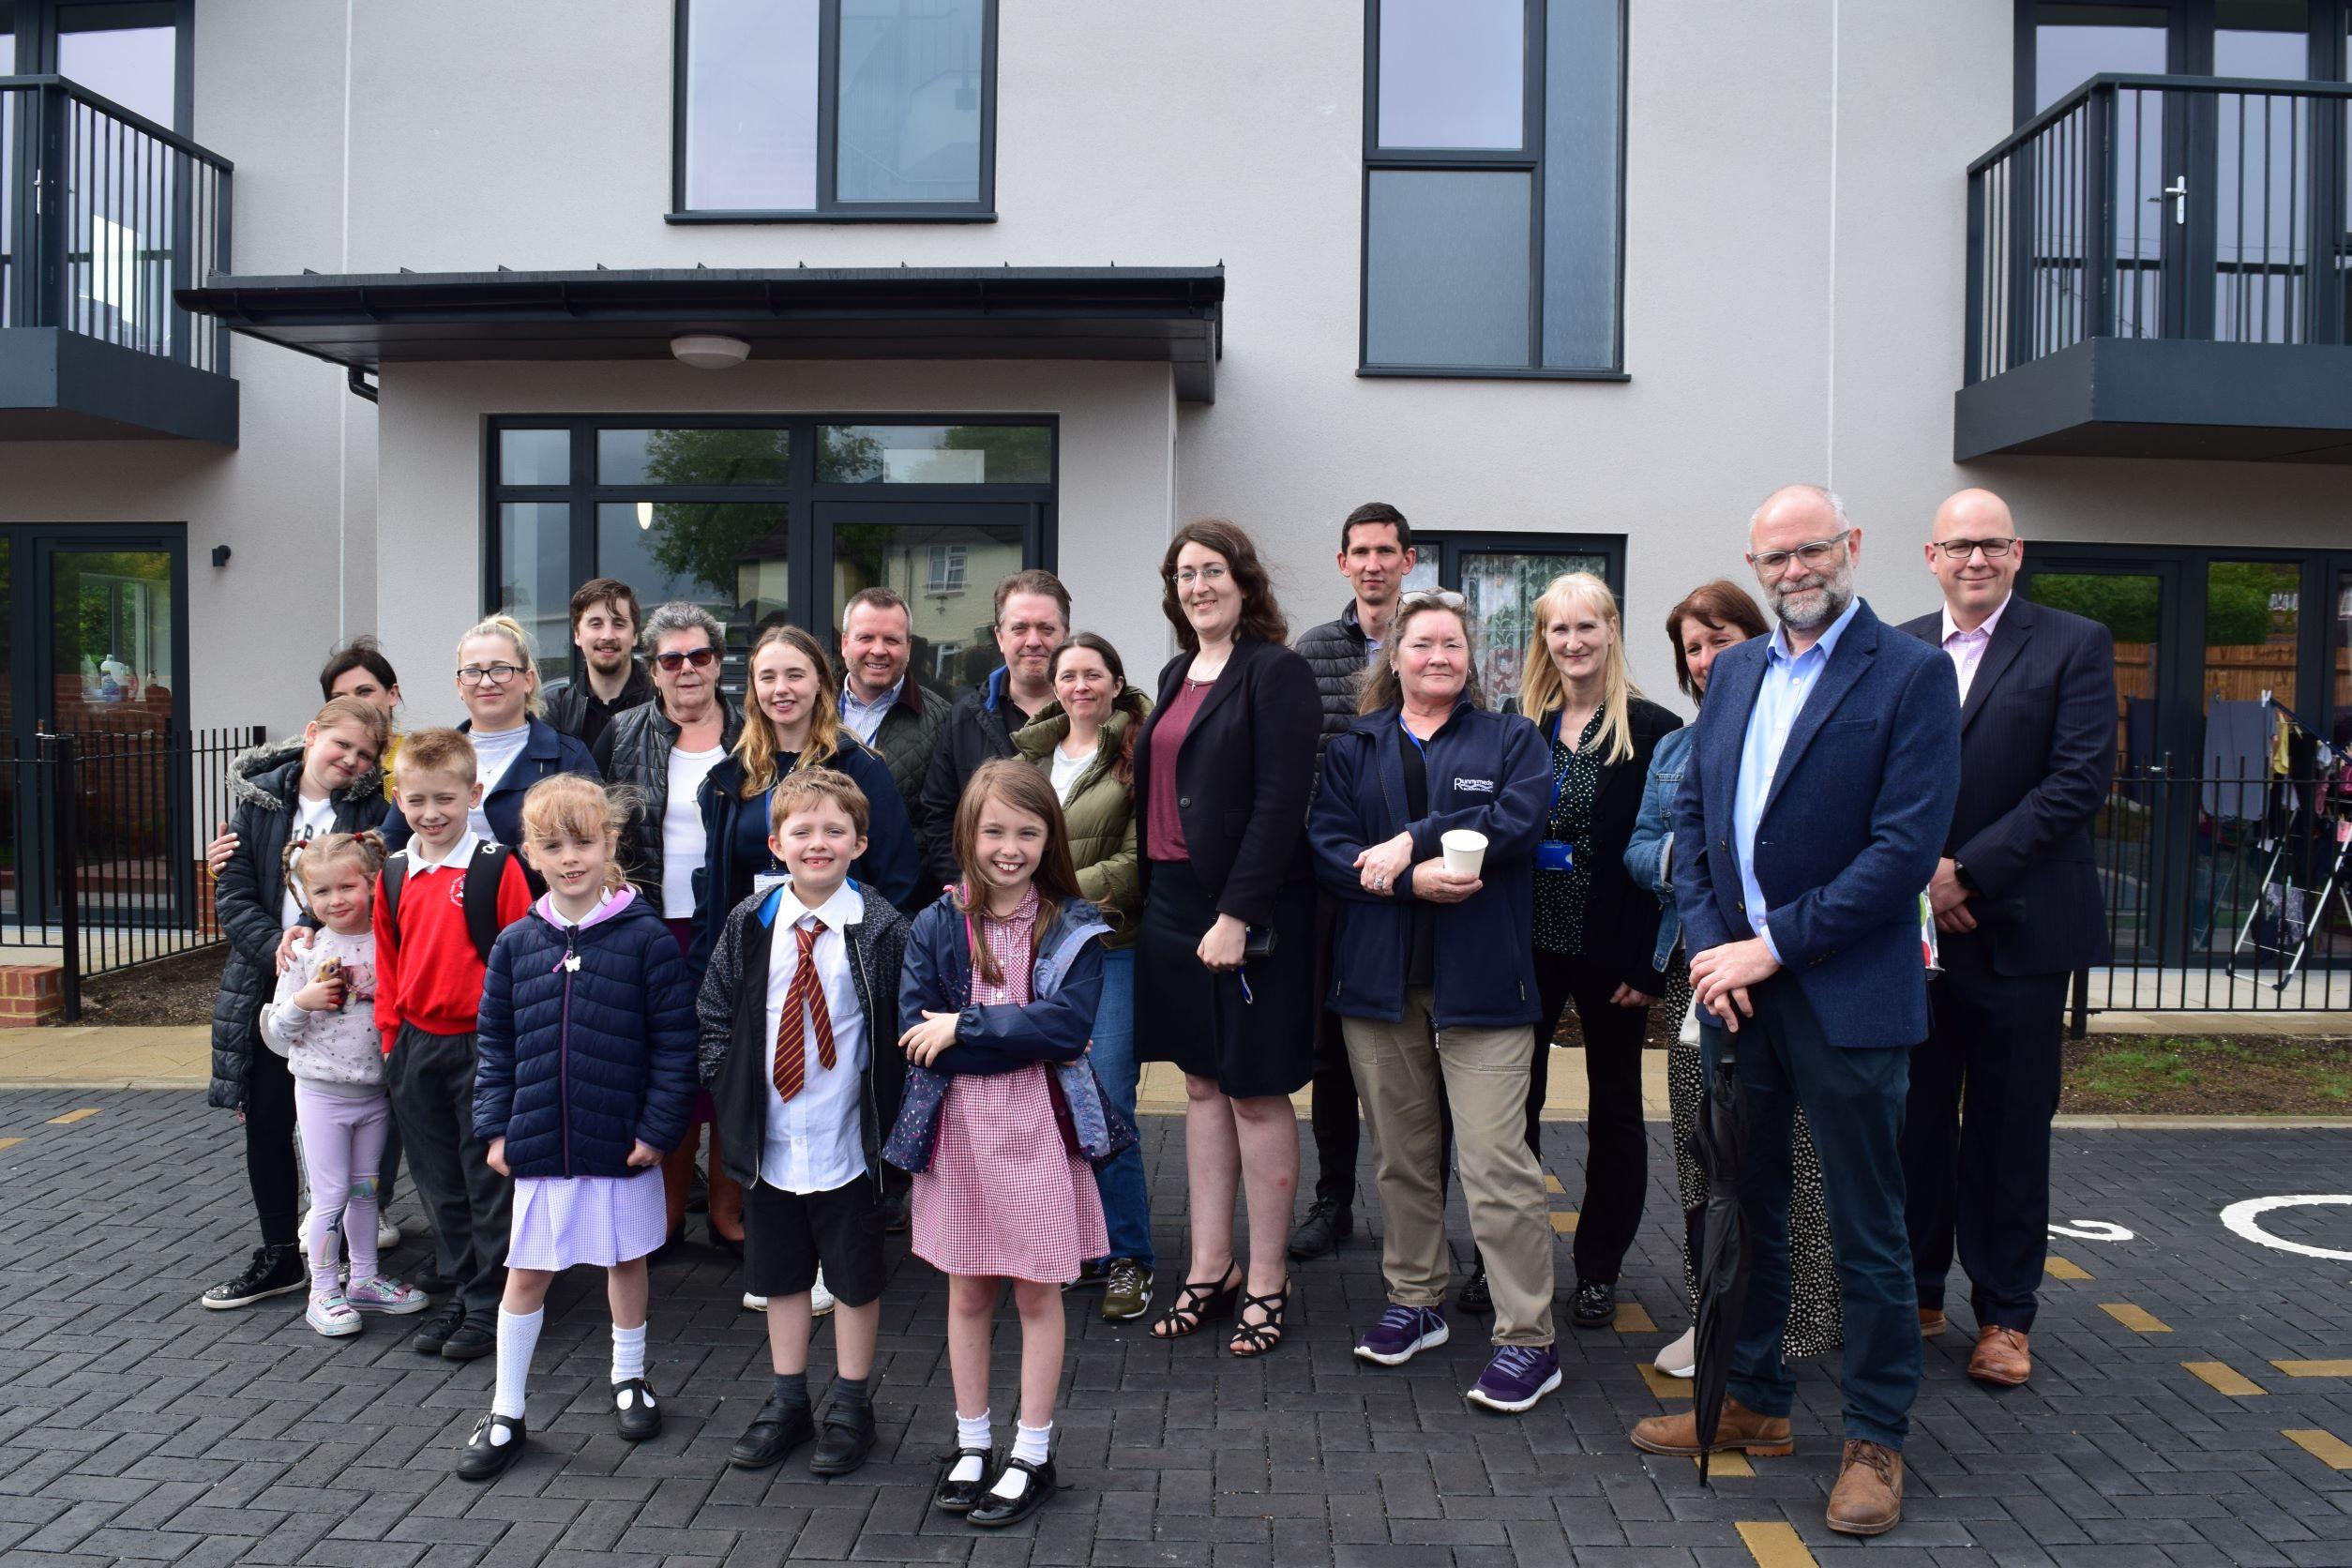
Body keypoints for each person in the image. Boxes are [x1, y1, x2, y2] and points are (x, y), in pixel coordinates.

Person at [1631, 484, 1959, 1540]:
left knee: (1867, 1228)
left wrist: (1768, 948)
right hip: (1741, 999)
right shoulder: (1731, 673)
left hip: (1846, 994)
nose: (1792, 572)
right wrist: (1716, 954)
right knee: (1748, 1208)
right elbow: (1696, 819)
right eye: (1773, 559)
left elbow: (1903, 852)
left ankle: (1875, 1436)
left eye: (1811, 550)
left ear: (1850, 546)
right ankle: (1755, 1403)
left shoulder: (1910, 675)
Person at [1309, 591, 1564, 1413]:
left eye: (1452, 644)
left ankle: (1530, 1339)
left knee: (1496, 1164)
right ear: (1397, 656)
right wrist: (1411, 879)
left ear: (1471, 658)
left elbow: (1519, 817)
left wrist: (1410, 842)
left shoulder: (1511, 739)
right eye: (1422, 644)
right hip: (1378, 987)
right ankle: (1416, 1301)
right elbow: (1324, 848)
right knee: (1402, 1159)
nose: (1438, 656)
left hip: (1485, 987)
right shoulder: (1355, 746)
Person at [1899, 489, 2116, 1388]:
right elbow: (1872, 778)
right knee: (1911, 1125)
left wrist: (1967, 874)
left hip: (2022, 935)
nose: (1975, 560)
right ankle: (1914, 1292)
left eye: (1991, 545)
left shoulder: (2074, 645)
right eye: (1959, 546)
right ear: (1931, 555)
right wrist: (1922, 878)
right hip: (1911, 940)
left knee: (2010, 1132)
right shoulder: (1898, 647)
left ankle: (2006, 1317)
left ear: (2017, 552)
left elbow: (2075, 784)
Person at [1626, 580, 1842, 1381]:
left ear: (1757, 637)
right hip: (1705, 977)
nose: (1708, 658)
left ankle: (1801, 1321)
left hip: (1797, 974)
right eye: (1693, 647)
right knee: (1706, 1154)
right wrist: (1689, 861)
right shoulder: (1679, 749)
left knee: (1796, 1158)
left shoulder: (1801, 727)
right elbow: (1641, 849)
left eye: (1720, 637)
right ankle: (1714, 1314)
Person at [459, 775, 699, 1481]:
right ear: (530, 852)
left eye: (585, 842)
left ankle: (630, 1377)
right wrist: (496, 1128)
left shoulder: (647, 940)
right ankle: (506, 1409)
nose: (571, 858)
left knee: (626, 1262)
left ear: (610, 844)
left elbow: (674, 1045)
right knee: (525, 1275)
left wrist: (658, 1128)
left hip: (620, 1140)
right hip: (539, 1142)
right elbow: (495, 1042)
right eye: (554, 845)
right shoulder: (514, 943)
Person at [895, 760, 1114, 1530]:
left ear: (1050, 836)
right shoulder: (935, 922)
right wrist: (982, 1035)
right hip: (959, 1132)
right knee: (965, 1289)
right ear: (968, 834)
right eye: (994, 831)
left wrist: (968, 1027)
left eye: (1027, 831)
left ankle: (1031, 1449)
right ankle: (972, 1440)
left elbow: (1068, 1028)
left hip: (1037, 1133)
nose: (1009, 847)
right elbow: (918, 1037)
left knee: (1036, 1291)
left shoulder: (1073, 927)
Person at [1133, 520, 1320, 1358]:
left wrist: (1238, 915)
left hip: (1247, 909)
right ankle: (1211, 1268)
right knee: (1201, 1087)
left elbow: (1282, 803)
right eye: (1184, 574)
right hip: (1173, 902)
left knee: (1253, 1089)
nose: (1197, 585)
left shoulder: (1275, 673)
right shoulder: (1176, 673)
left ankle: (1269, 1277)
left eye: (1212, 571)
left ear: (1244, 582)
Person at [699, 769, 911, 1477]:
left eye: (834, 830)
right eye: (802, 831)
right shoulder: (750, 921)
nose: (817, 843)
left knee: (853, 1277)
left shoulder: (882, 929)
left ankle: (851, 1403)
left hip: (850, 1138)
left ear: (861, 841)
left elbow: (901, 1030)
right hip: (772, 1138)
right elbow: (714, 1015)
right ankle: (788, 1400)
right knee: (780, 1276)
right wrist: (728, 1090)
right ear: (775, 844)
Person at [208, 636, 415, 1259]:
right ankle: (276, 1252)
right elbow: (234, 893)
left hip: (349, 985)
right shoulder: (257, 804)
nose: (349, 760)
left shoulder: (377, 812)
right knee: (269, 1117)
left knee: (352, 1117)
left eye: (363, 753)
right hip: (270, 982)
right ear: (311, 733)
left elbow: (385, 886)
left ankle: (352, 1236)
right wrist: (278, 945)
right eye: (340, 745)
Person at [1514, 573, 1682, 1329]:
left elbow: (1666, 857)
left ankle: (1598, 1267)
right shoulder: (1524, 725)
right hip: (1527, 946)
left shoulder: (1653, 730)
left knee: (1615, 1109)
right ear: (1543, 640)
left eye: (1587, 627)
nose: (1573, 642)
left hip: (1612, 951)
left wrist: (1651, 965)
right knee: (1513, 1105)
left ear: (1612, 629)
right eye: (1558, 630)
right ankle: (1507, 1259)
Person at [374, 728, 536, 1364]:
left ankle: (492, 1301)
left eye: (444, 798)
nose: (431, 814)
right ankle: (467, 1291)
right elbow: (388, 966)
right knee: (439, 1181)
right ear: (397, 798)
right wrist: (392, 1042)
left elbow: (522, 962)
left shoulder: (497, 869)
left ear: (475, 793)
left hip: (483, 1048)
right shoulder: (393, 874)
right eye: (416, 801)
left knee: (486, 1179)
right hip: (417, 1048)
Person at [1011, 632, 1154, 1321]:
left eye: (1093, 674)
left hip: (1109, 951)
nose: (1079, 687)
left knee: (1108, 1100)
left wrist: (1050, 891)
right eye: (1068, 675)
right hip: (1036, 955)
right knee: (1053, 1102)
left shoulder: (1138, 755)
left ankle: (1131, 1256)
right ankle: (1085, 1247)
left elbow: (1136, 865)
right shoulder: (1028, 757)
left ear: (1115, 681)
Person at [597, 602, 747, 1257]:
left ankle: (727, 1214)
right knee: (667, 1071)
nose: (687, 670)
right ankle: (662, 1217)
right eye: (671, 659)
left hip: (737, 926)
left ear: (719, 662)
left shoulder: (754, 730)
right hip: (657, 929)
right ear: (651, 669)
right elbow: (604, 834)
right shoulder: (624, 733)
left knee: (734, 1068)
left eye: (701, 656)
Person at [1290, 501, 1418, 1265]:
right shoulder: (1313, 652)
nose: (1372, 564)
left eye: (1385, 550)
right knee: (1334, 1051)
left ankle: (1418, 1209)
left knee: (1415, 1046)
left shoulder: (1431, 638)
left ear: (1408, 558)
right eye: (1359, 552)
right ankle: (1332, 1199)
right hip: (1336, 887)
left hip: (1420, 880)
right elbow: (1303, 774)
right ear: (1343, 563)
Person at [258, 830, 429, 1335]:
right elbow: (274, 1034)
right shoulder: (305, 952)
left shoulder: (390, 941)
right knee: (329, 1198)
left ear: (373, 884)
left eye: (347, 887)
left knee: (365, 1192)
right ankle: (323, 1291)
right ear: (305, 897)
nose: (336, 901)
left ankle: (365, 1280)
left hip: (375, 1094)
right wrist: (300, 1002)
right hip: (321, 1094)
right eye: (322, 892)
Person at [693, 625, 921, 966]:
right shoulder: (729, 780)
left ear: (819, 683)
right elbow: (712, 890)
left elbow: (897, 880)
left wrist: (878, 964)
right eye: (768, 677)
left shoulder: (860, 769)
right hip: (754, 960)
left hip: (841, 958)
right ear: (754, 689)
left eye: (795, 675)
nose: (781, 689)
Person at [381, 615, 601, 865]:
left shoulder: (568, 757)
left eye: (500, 670)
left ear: (527, 680)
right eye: (473, 672)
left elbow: (592, 846)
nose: (486, 682)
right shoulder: (429, 756)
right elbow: (391, 843)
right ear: (459, 685)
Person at [918, 570, 1071, 890]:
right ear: (1000, 637)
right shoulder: (965, 717)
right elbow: (939, 812)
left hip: (1072, 901)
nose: (1033, 641)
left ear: (1065, 635)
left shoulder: (1092, 715)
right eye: (1020, 628)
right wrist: (961, 881)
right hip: (986, 904)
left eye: (1046, 629)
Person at [839, 586, 948, 835]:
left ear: (908, 648)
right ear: (845, 643)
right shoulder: (812, 711)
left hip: (903, 872)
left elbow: (944, 820)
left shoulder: (943, 720)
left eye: (891, 639)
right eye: (865, 637)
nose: (878, 650)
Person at [543, 578, 654, 752]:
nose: (608, 636)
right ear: (577, 635)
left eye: (619, 624)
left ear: (634, 636)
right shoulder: (555, 710)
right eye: (596, 624)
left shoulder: (661, 702)